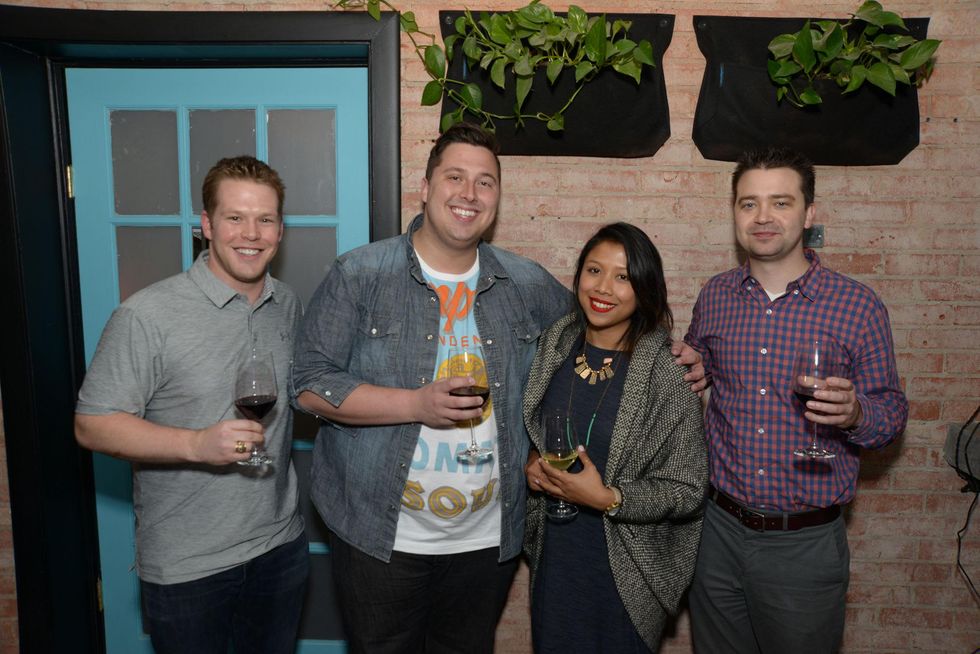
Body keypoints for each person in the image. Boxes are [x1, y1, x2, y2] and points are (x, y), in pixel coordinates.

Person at [289, 123, 574, 653]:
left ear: (497, 198)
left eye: (485, 182)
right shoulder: (361, 274)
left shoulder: (527, 282)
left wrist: (673, 352)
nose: (469, 194)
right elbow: (307, 384)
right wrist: (414, 404)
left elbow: (594, 338)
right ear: (425, 187)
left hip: (488, 538)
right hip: (379, 533)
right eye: (455, 177)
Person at [74, 156, 308, 654]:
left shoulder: (286, 303)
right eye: (234, 217)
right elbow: (92, 425)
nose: (251, 233)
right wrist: (197, 444)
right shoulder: (147, 315)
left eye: (265, 219)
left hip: (279, 549)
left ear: (280, 230)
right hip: (188, 567)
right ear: (206, 226)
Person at [685, 146, 909, 653]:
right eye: (749, 204)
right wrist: (692, 368)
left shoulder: (858, 306)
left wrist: (856, 414)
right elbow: (705, 369)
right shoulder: (715, 296)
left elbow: (891, 416)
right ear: (735, 213)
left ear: (809, 214)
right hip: (716, 531)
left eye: (781, 203)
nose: (763, 217)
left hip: (803, 545)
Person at [522, 222, 708, 653]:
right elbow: (536, 427)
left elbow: (687, 489)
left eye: (623, 277)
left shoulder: (667, 373)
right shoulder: (555, 344)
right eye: (594, 270)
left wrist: (610, 498)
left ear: (645, 288)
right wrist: (533, 462)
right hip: (556, 560)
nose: (604, 287)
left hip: (624, 572)